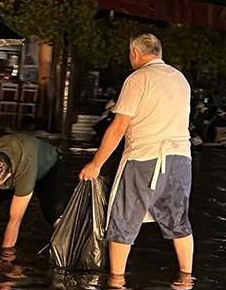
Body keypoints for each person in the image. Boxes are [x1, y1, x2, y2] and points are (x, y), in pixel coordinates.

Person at [79, 32, 194, 277]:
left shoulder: (138, 78)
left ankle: (116, 284)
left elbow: (118, 127)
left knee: (122, 219)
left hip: (145, 157)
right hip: (181, 159)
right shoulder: (180, 79)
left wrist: (96, 164)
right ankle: (186, 279)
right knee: (178, 221)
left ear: (135, 53)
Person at [0, 133, 67, 248]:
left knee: (54, 213)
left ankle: (65, 247)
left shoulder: (24, 173)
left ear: (8, 176)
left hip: (47, 167)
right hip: (15, 163)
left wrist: (6, 255)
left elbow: (15, 220)